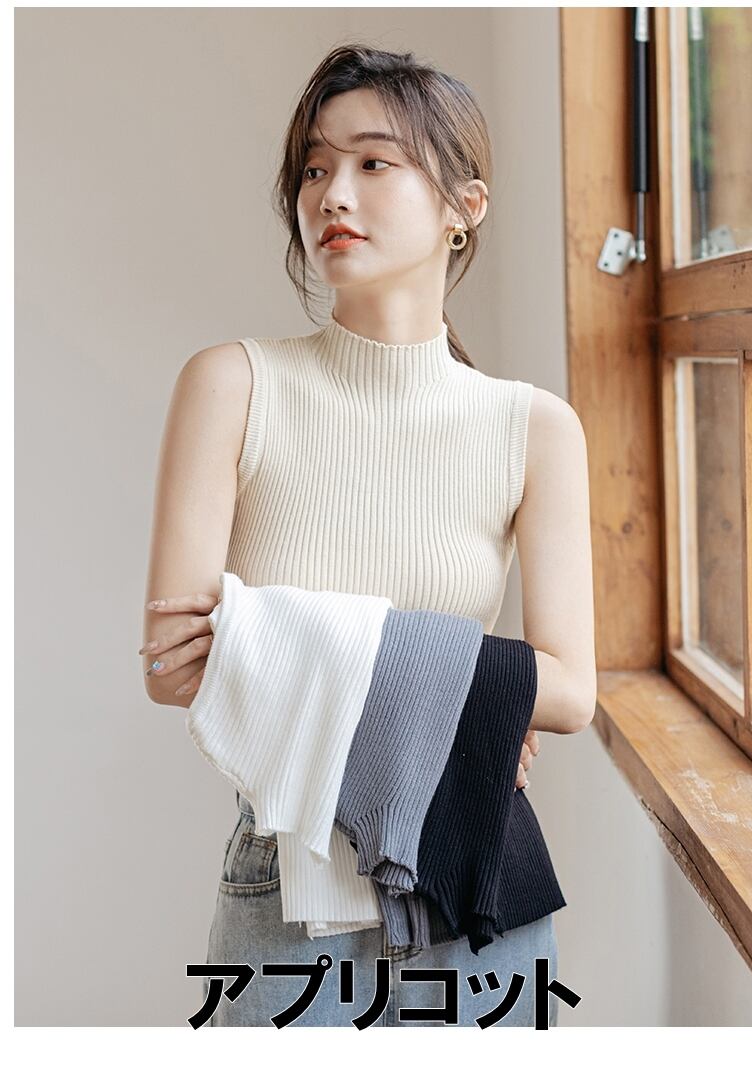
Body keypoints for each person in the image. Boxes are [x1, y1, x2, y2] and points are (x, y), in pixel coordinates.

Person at [140, 43, 596, 1027]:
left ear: (464, 205)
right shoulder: (232, 384)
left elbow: (569, 691)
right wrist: (462, 695)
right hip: (286, 874)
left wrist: (282, 638)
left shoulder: (534, 427)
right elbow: (174, 664)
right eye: (314, 167)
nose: (331, 193)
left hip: (477, 864)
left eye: (373, 161)